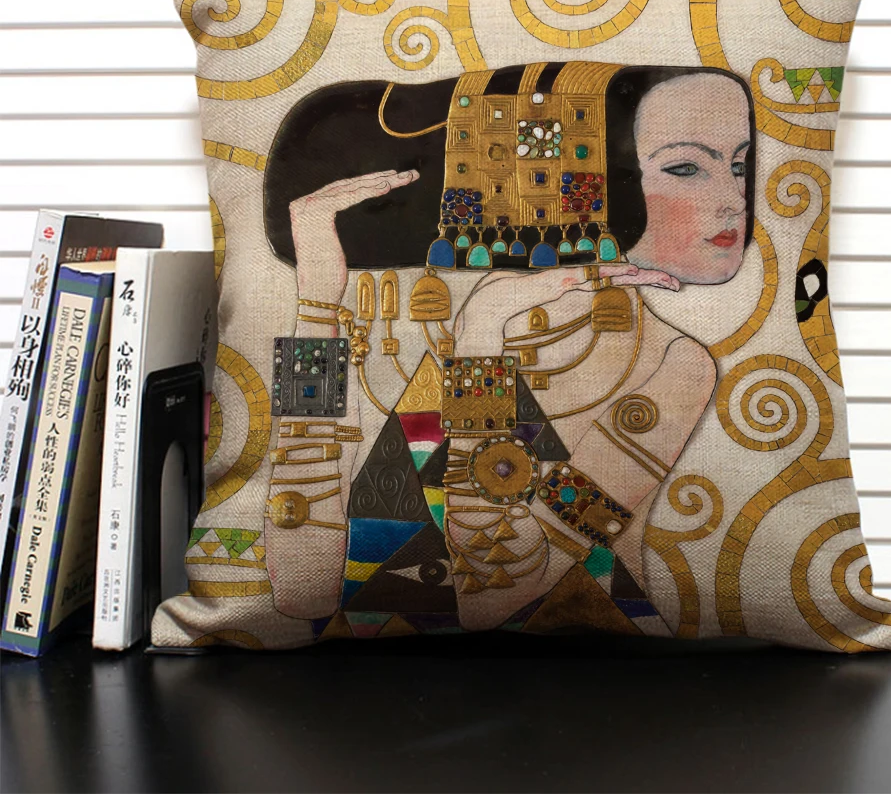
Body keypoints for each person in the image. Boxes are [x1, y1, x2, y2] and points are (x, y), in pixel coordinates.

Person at [261, 64, 755, 632]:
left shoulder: (672, 366)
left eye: (740, 166)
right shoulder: (386, 327)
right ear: (588, 176)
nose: (735, 200)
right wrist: (317, 304)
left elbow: (497, 592)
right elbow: (301, 590)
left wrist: (482, 334)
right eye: (685, 168)